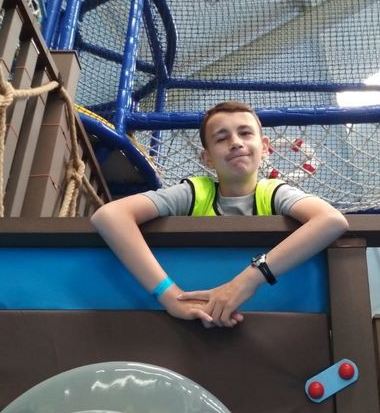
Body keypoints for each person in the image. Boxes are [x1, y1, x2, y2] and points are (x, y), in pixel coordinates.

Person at [90, 101, 349, 328]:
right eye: (221, 138)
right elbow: (109, 216)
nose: (235, 142)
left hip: (282, 318)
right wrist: (169, 296)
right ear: (208, 158)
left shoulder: (273, 192)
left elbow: (331, 220)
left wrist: (245, 282)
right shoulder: (195, 192)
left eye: (245, 133)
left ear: (265, 147)